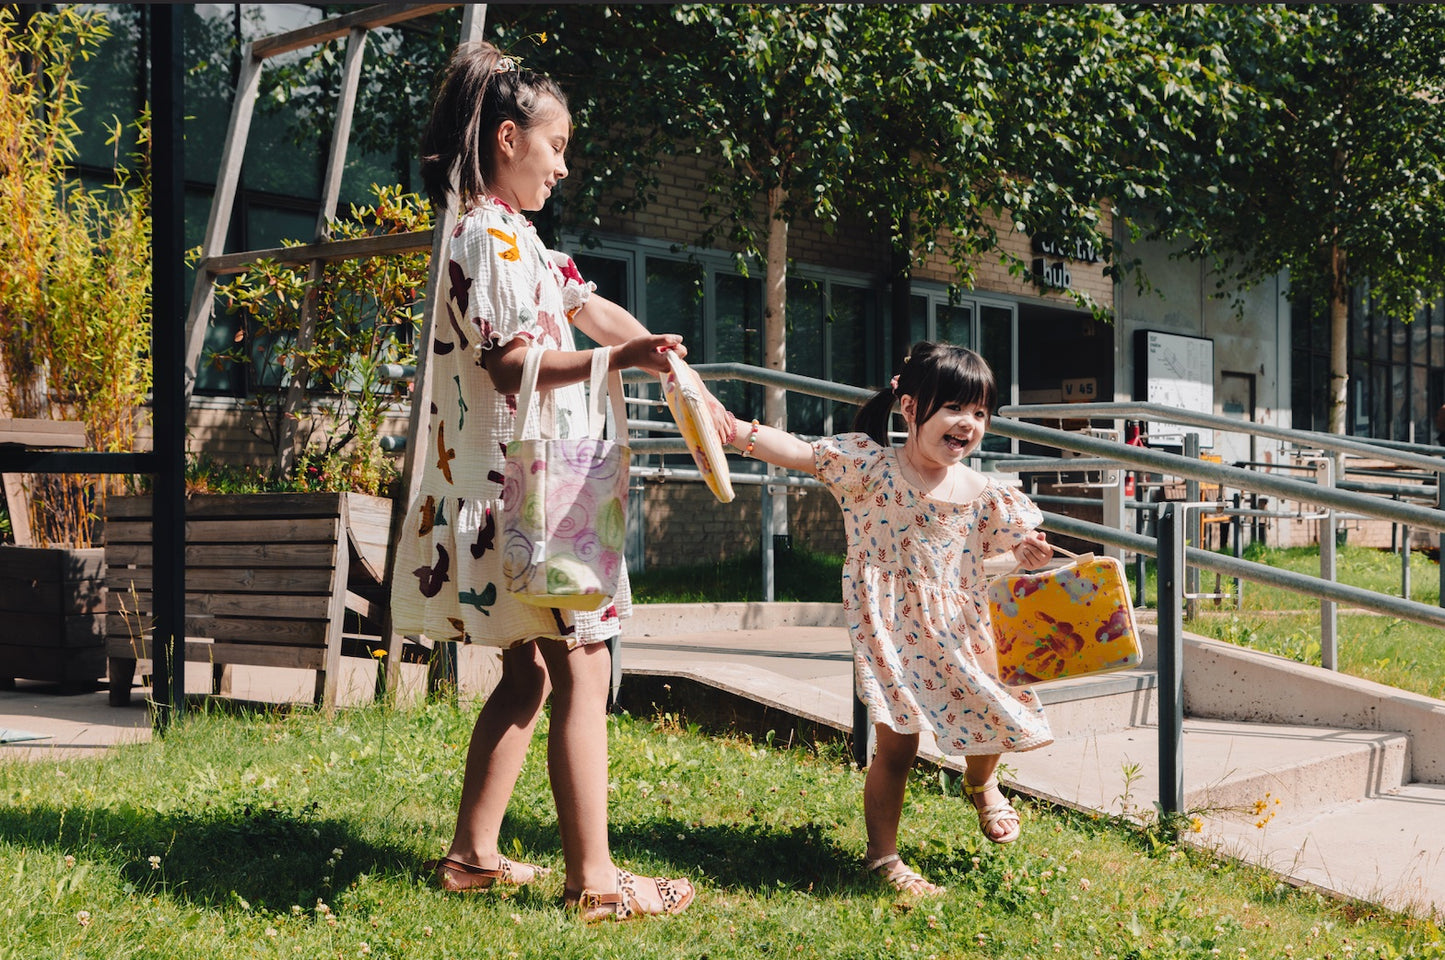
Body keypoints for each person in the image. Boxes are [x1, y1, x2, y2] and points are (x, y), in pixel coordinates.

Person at [391, 41, 694, 922]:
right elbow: (509, 360)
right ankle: (594, 884)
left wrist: (673, 368)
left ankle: (472, 857)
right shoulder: (487, 235)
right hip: (527, 494)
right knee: (584, 672)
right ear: (508, 138)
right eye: (555, 147)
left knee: (527, 674)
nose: (562, 167)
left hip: (509, 488)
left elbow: (587, 306)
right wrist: (618, 362)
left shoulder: (514, 236)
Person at [707, 341, 1054, 895]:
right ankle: (883, 858)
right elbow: (799, 452)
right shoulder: (870, 466)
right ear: (910, 407)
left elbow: (1015, 543)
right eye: (954, 408)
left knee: (996, 709)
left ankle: (982, 784)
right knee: (898, 744)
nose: (968, 423)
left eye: (980, 412)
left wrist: (1026, 552)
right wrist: (734, 432)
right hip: (893, 628)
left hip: (962, 627)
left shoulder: (985, 493)